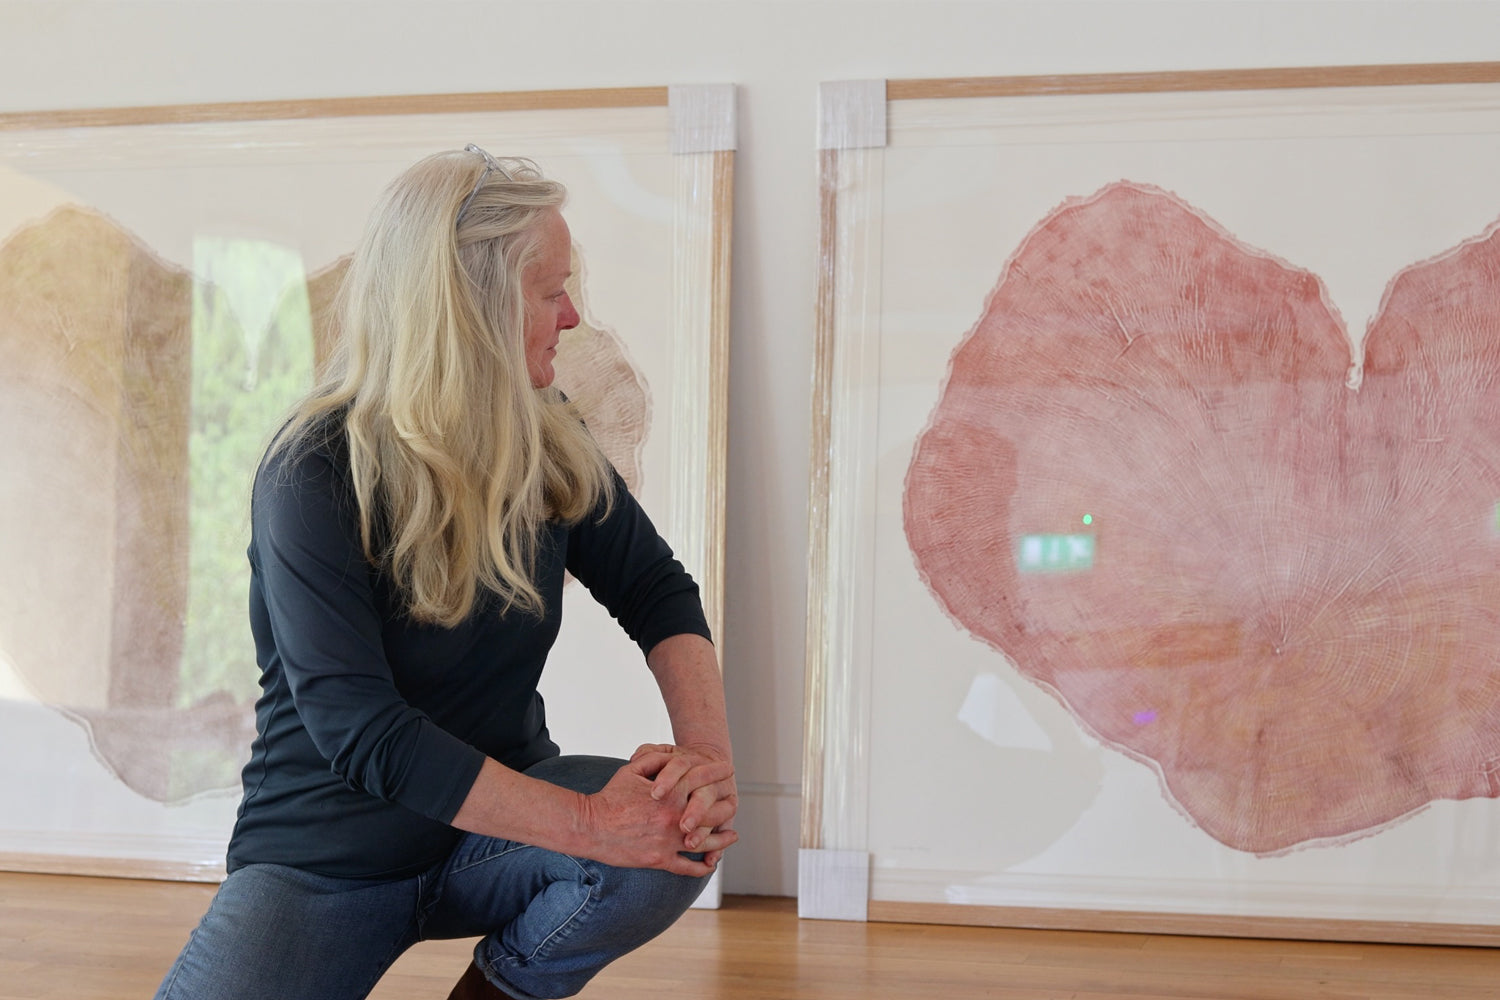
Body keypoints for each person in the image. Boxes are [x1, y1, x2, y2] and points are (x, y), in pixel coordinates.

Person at [153, 146, 738, 1000]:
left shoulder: (545, 432)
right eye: (550, 291)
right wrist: (587, 821)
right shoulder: (313, 468)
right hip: (326, 865)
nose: (571, 316)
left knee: (672, 835)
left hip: (494, 836)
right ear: (470, 305)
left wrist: (707, 768)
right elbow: (363, 732)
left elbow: (657, 590)